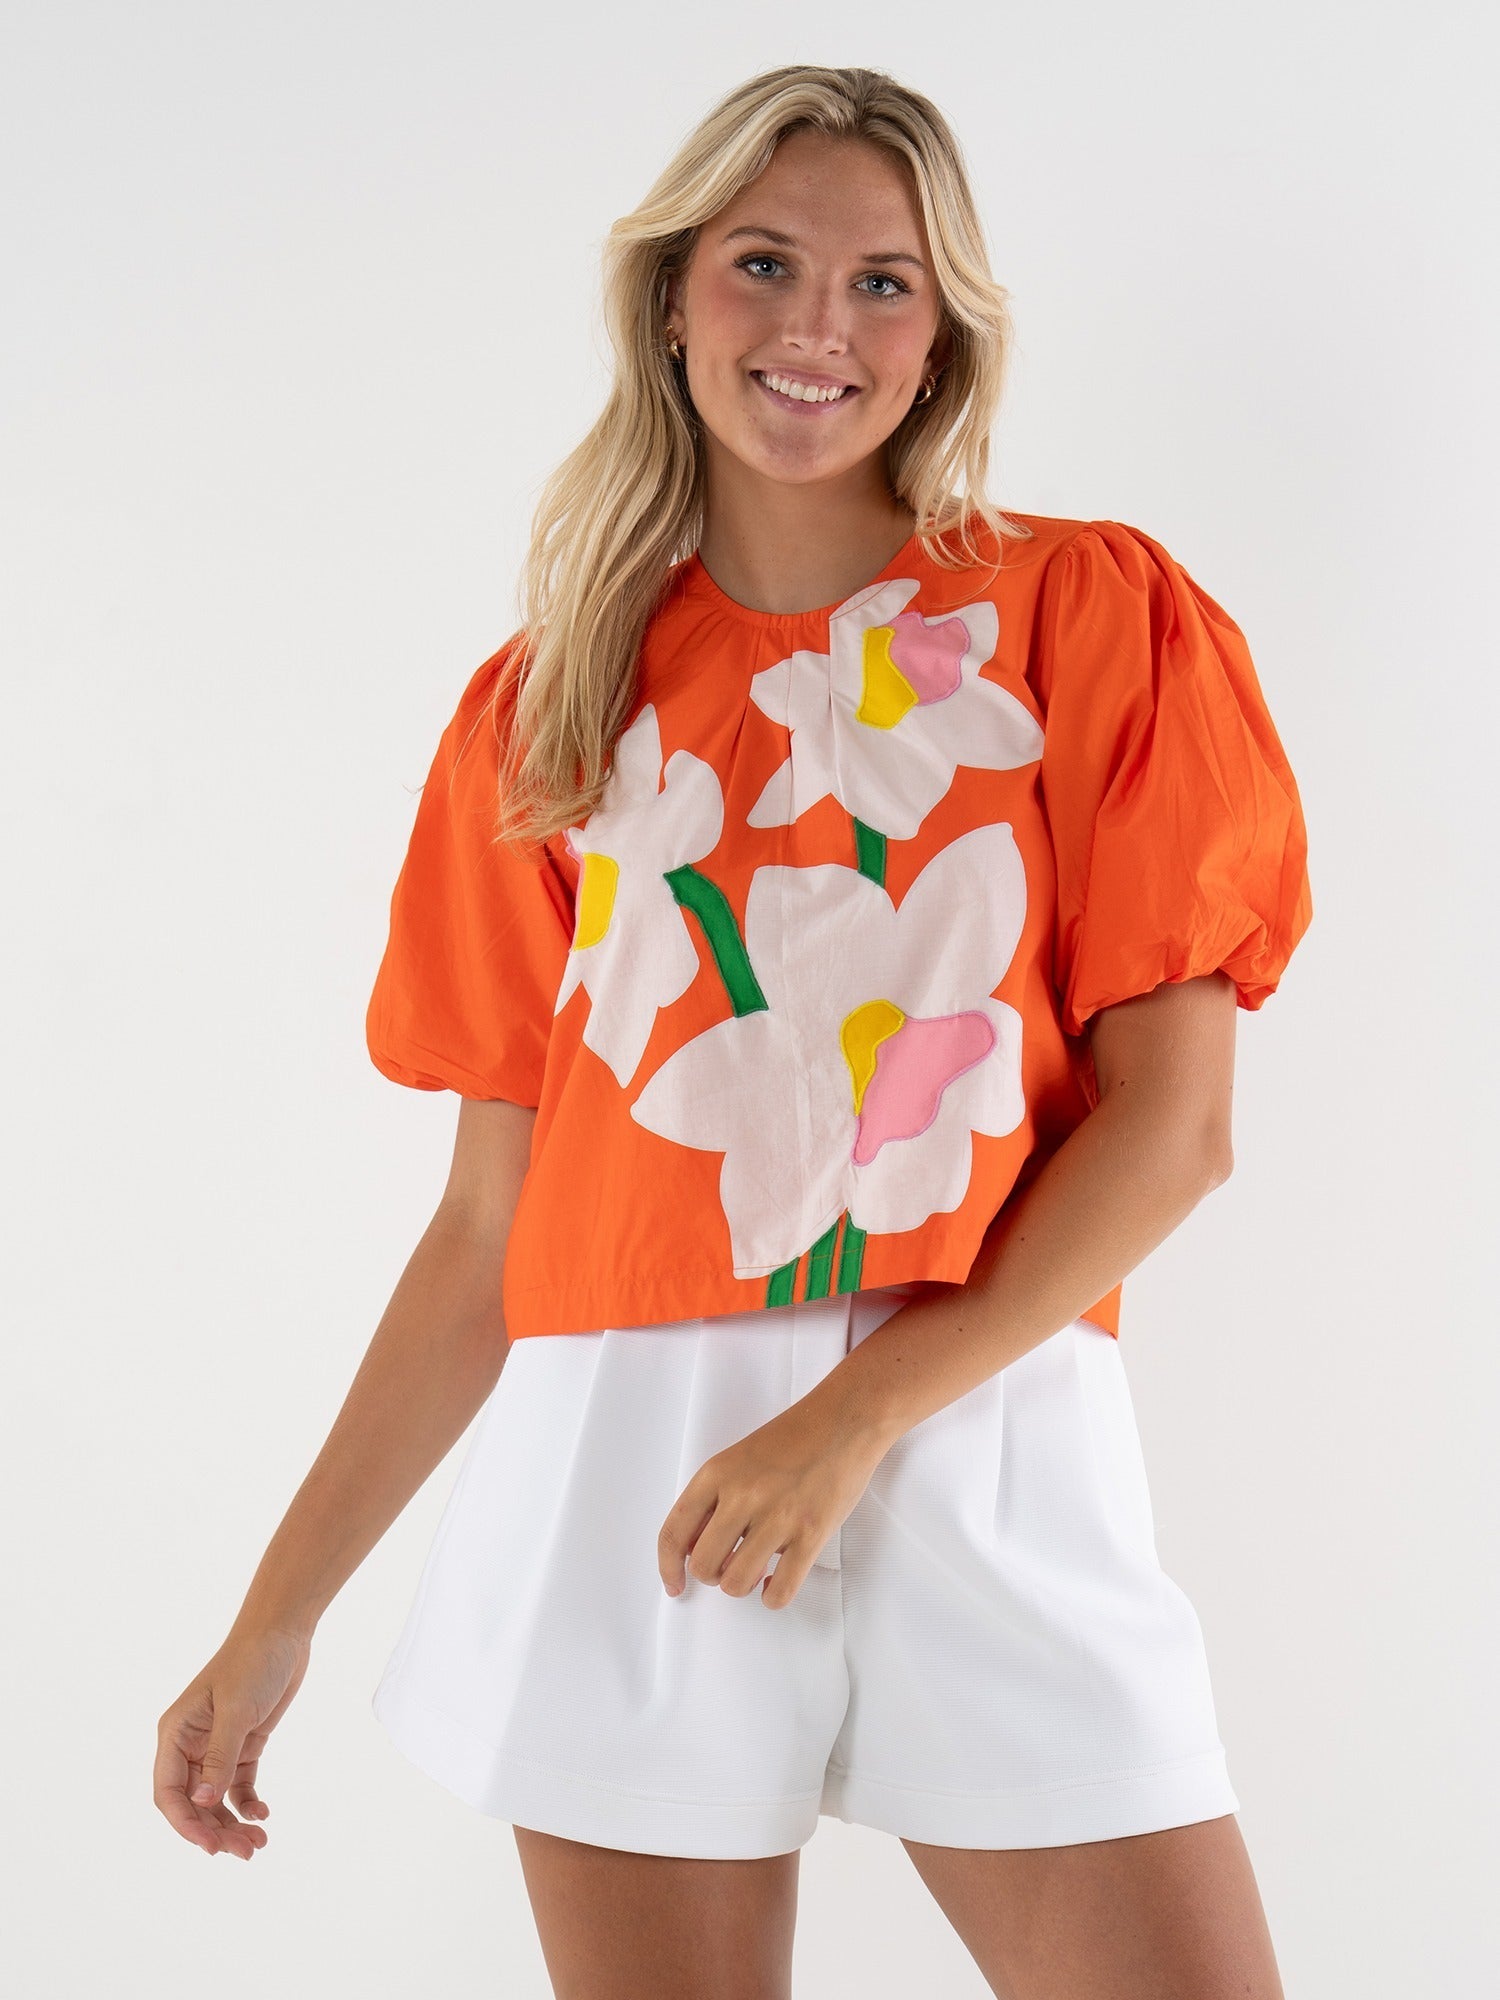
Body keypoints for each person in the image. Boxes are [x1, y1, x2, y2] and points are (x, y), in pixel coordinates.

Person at [154, 64, 1311, 2000]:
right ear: (674, 291)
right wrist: (272, 1619)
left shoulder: (1081, 613)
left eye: (883, 284)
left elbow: (1173, 1125)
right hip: (632, 1475)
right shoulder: (548, 713)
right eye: (766, 264)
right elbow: (482, 1238)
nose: (815, 330)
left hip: (980, 1427)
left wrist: (853, 1417)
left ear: (944, 335)